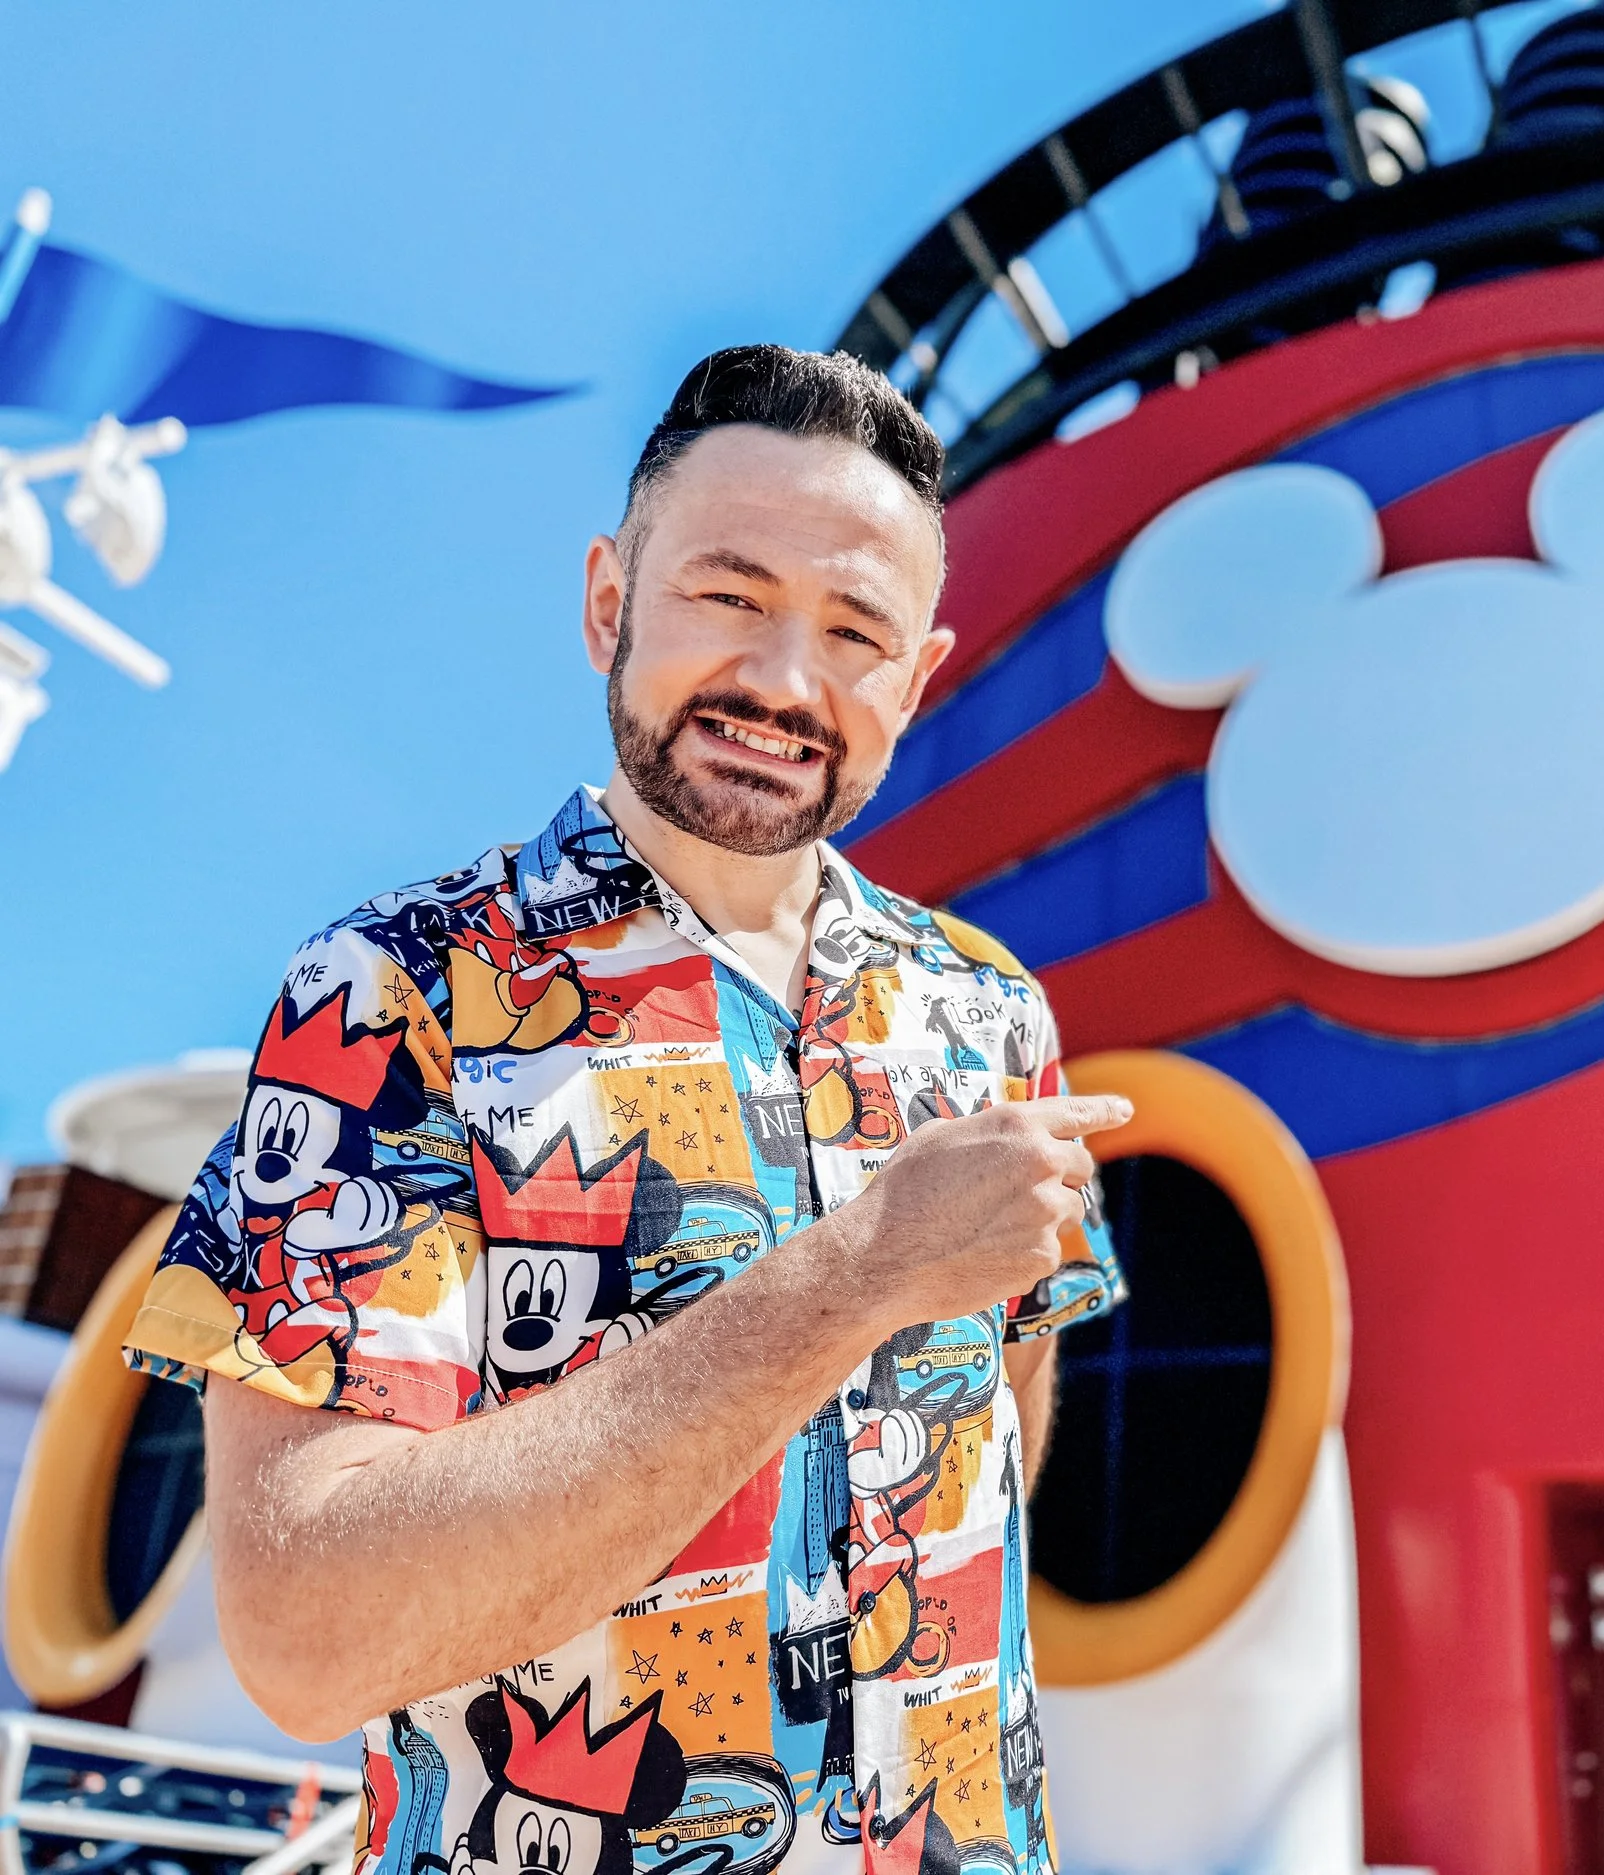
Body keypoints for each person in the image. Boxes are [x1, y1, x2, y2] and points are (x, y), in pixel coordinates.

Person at [120, 344, 1130, 1875]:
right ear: (610, 602)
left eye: (854, 630)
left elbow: (992, 1436)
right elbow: (305, 1636)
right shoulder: (397, 994)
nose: (784, 680)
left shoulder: (990, 1014)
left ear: (917, 678)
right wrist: (856, 1273)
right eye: (729, 594)